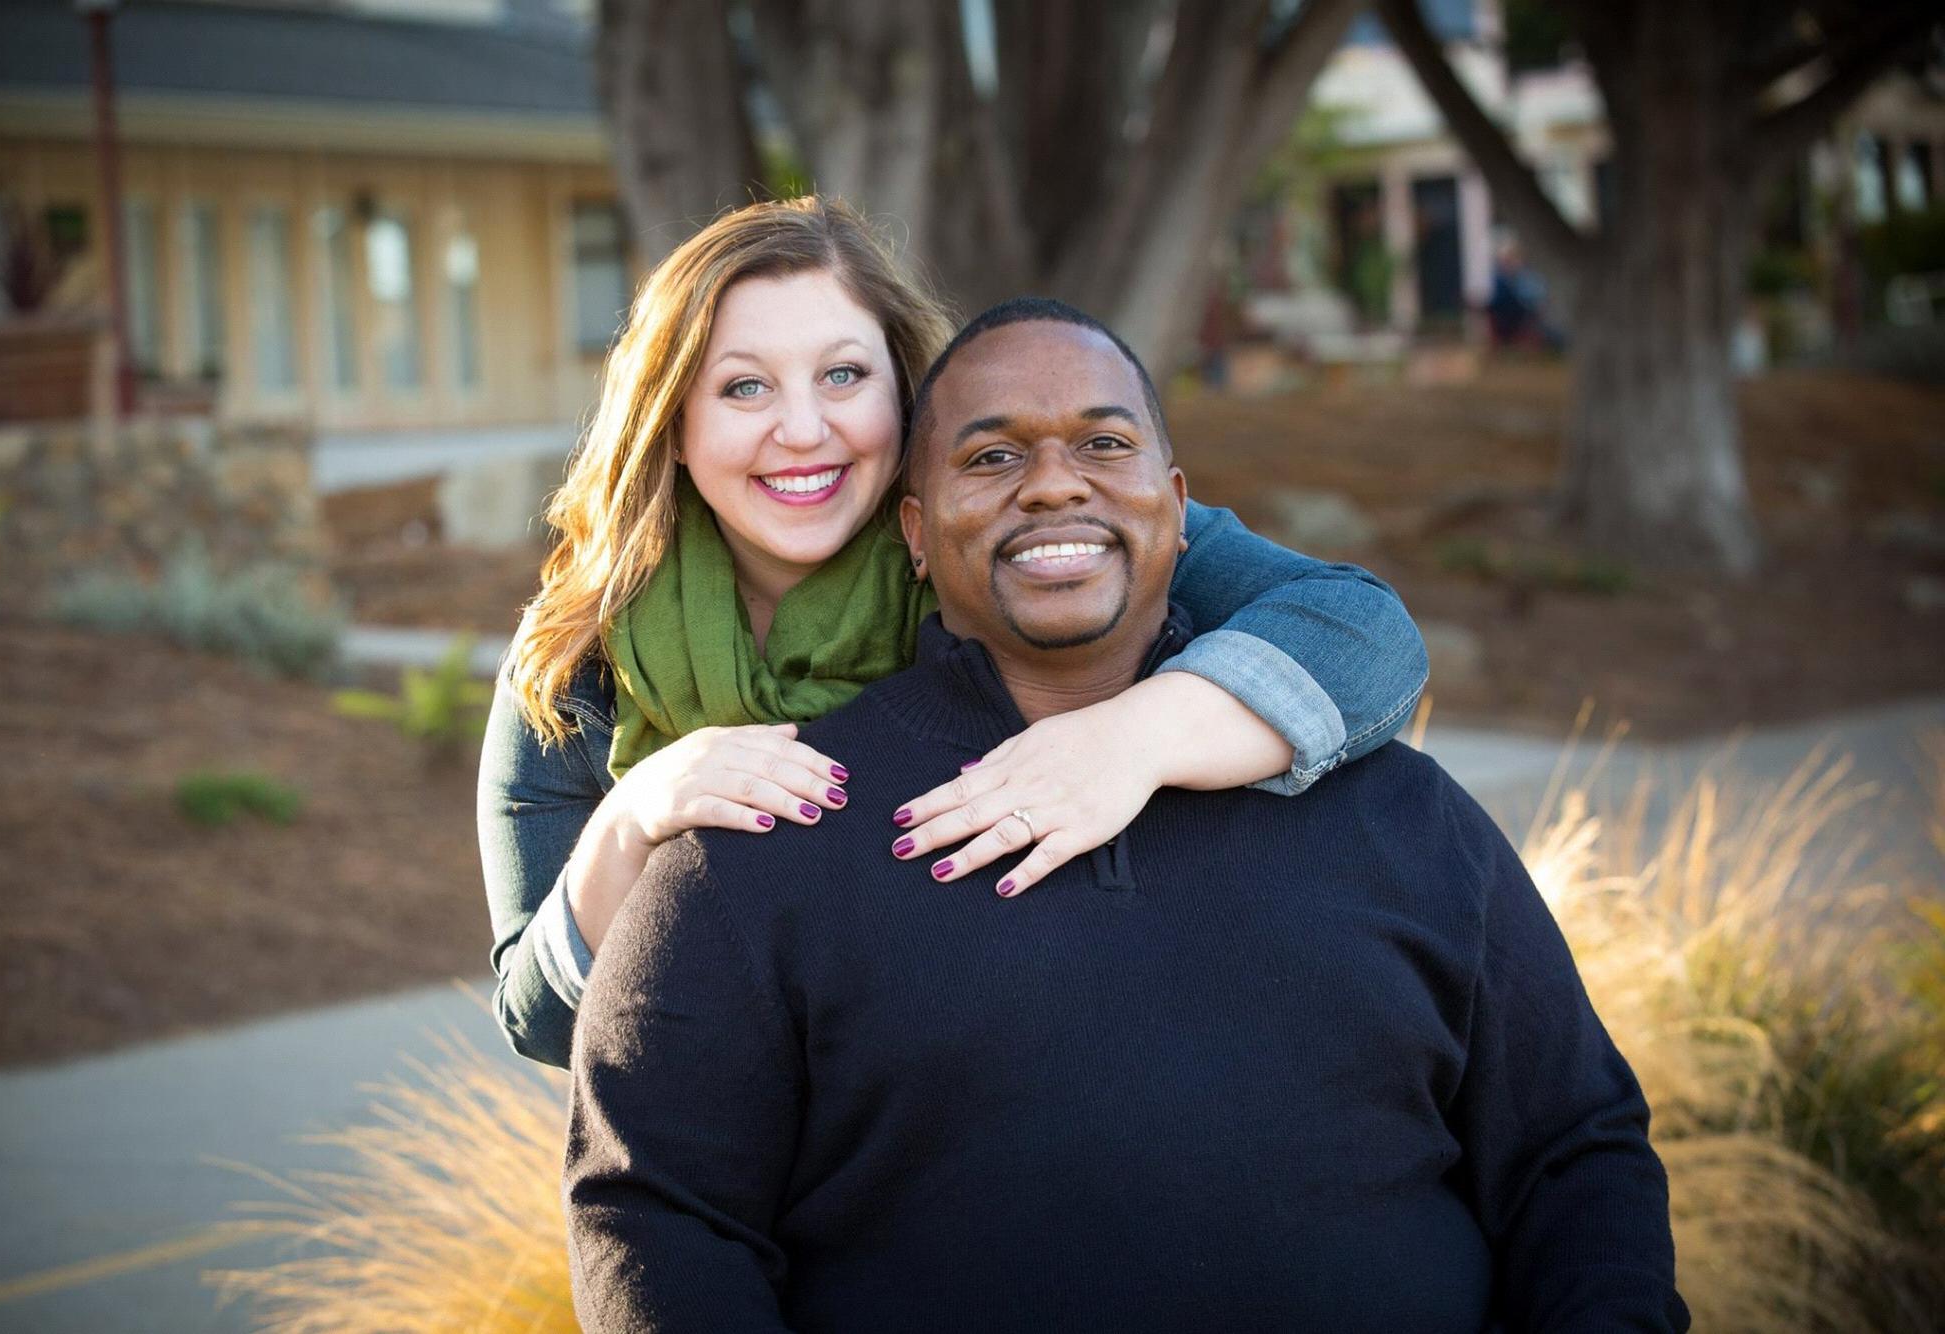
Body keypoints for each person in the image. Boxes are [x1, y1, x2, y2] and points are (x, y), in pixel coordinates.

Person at [564, 299, 1687, 1332]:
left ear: (1179, 506)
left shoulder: (1398, 810)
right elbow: (656, 1212)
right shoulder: (766, 834)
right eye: (991, 455)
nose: (1053, 485)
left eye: (1103, 444)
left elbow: (1573, 1152)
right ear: (913, 531)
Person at [479, 197, 1430, 1070]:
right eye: (744, 388)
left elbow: (1363, 635)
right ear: (674, 422)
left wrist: (1128, 742)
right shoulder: (577, 654)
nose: (804, 430)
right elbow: (543, 1023)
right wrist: (635, 812)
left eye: (843, 375)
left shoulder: (1009, 543)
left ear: (904, 391)